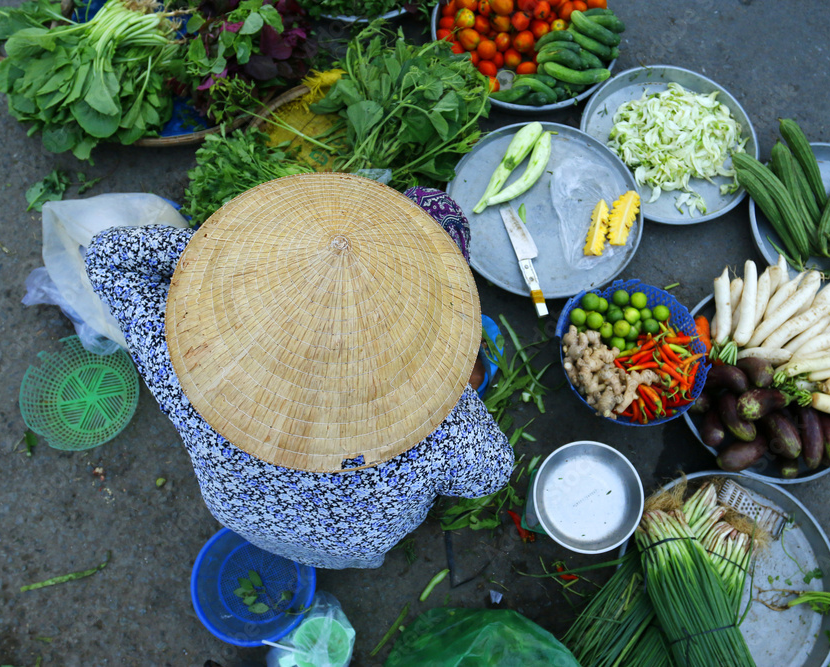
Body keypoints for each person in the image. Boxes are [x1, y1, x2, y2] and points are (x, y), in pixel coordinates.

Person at [85, 174, 514, 569]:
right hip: (353, 544)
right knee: (433, 209)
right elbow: (490, 474)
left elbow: (108, 255)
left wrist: (223, 258)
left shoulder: (185, 368)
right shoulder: (448, 426)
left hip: (242, 515)